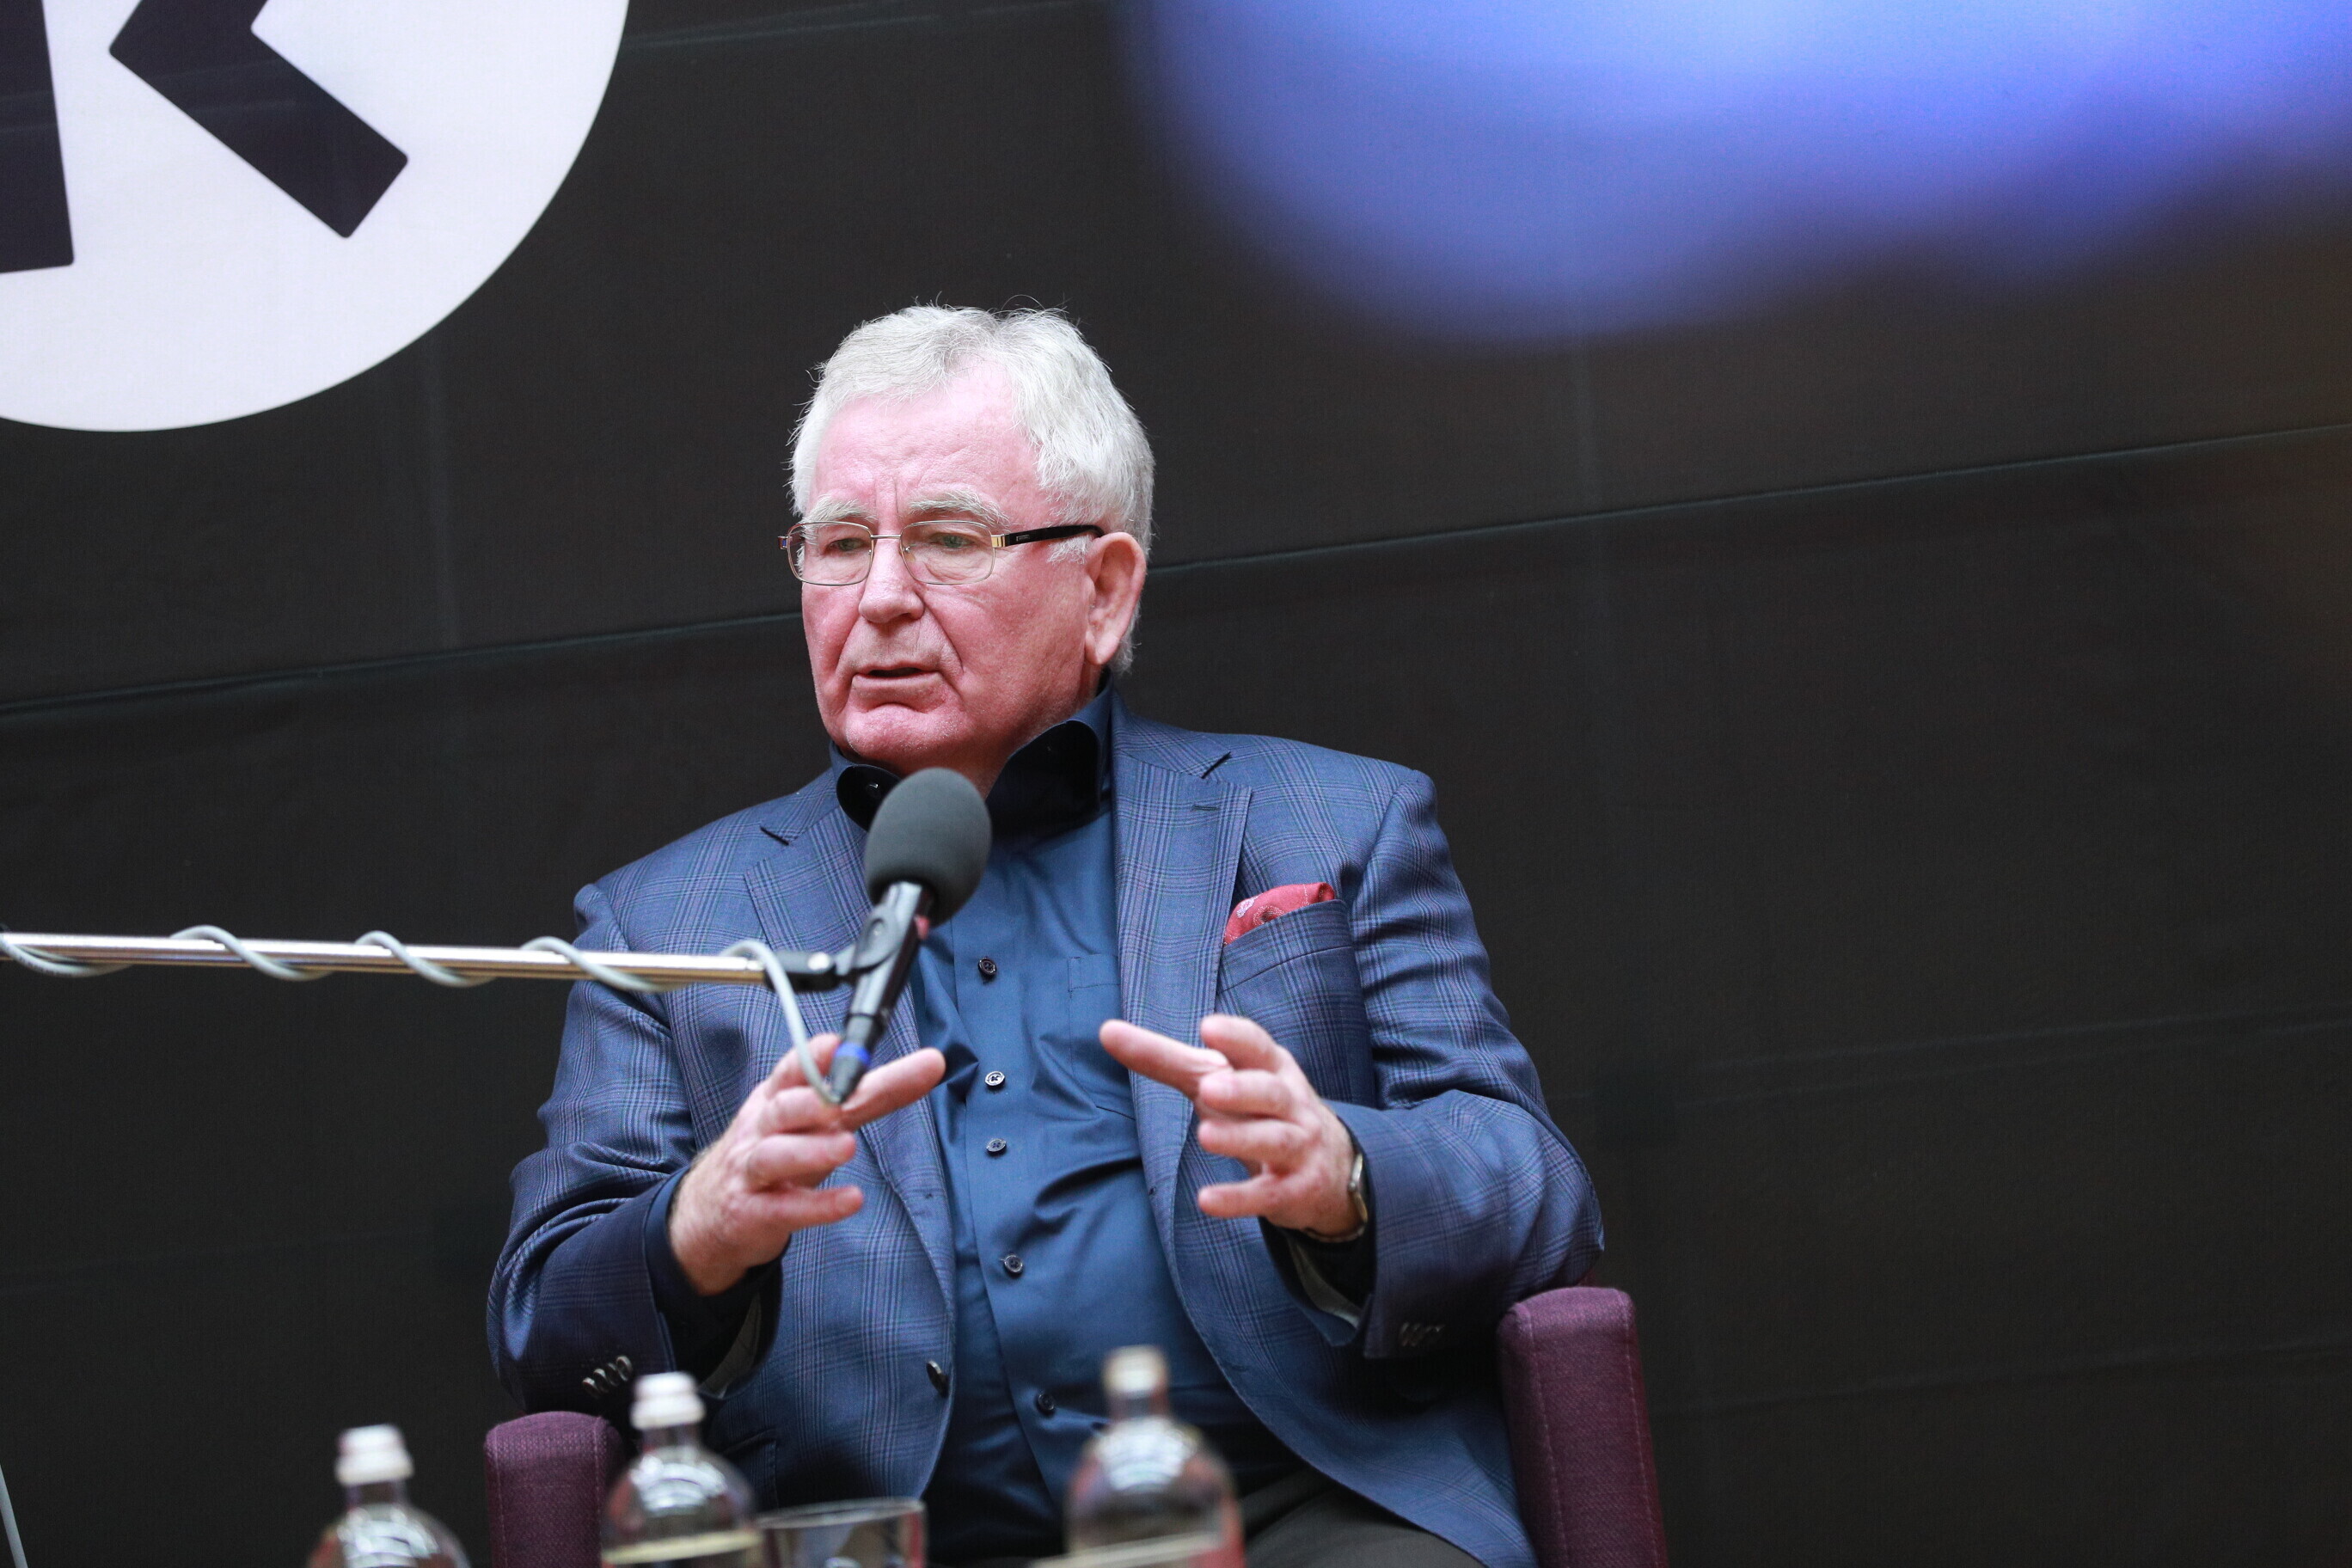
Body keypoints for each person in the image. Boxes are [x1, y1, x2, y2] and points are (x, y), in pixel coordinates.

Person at [489, 306, 1602, 1568]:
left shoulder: (1332, 822)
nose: (881, 598)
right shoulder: (667, 922)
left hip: (1294, 1521)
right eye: (840, 545)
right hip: (887, 1543)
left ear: (1104, 590)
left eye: (948, 540)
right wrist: (698, 1230)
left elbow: (1534, 1190)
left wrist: (1346, 1179)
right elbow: (545, 1326)